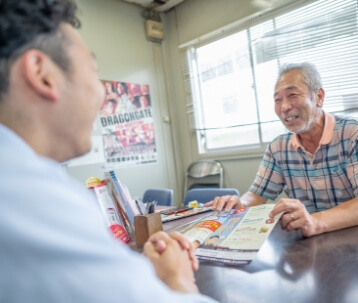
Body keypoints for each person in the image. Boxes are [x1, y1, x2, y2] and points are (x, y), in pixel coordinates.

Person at [0, 1, 215, 302]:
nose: (102, 93)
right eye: (93, 70)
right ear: (42, 74)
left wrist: (131, 270)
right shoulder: (30, 198)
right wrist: (176, 280)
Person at [206, 62, 358, 238]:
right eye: (277, 100)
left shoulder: (356, 132)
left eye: (292, 95)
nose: (284, 107)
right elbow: (257, 194)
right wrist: (239, 203)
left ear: (319, 97)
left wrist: (315, 222)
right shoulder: (278, 148)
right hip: (316, 240)